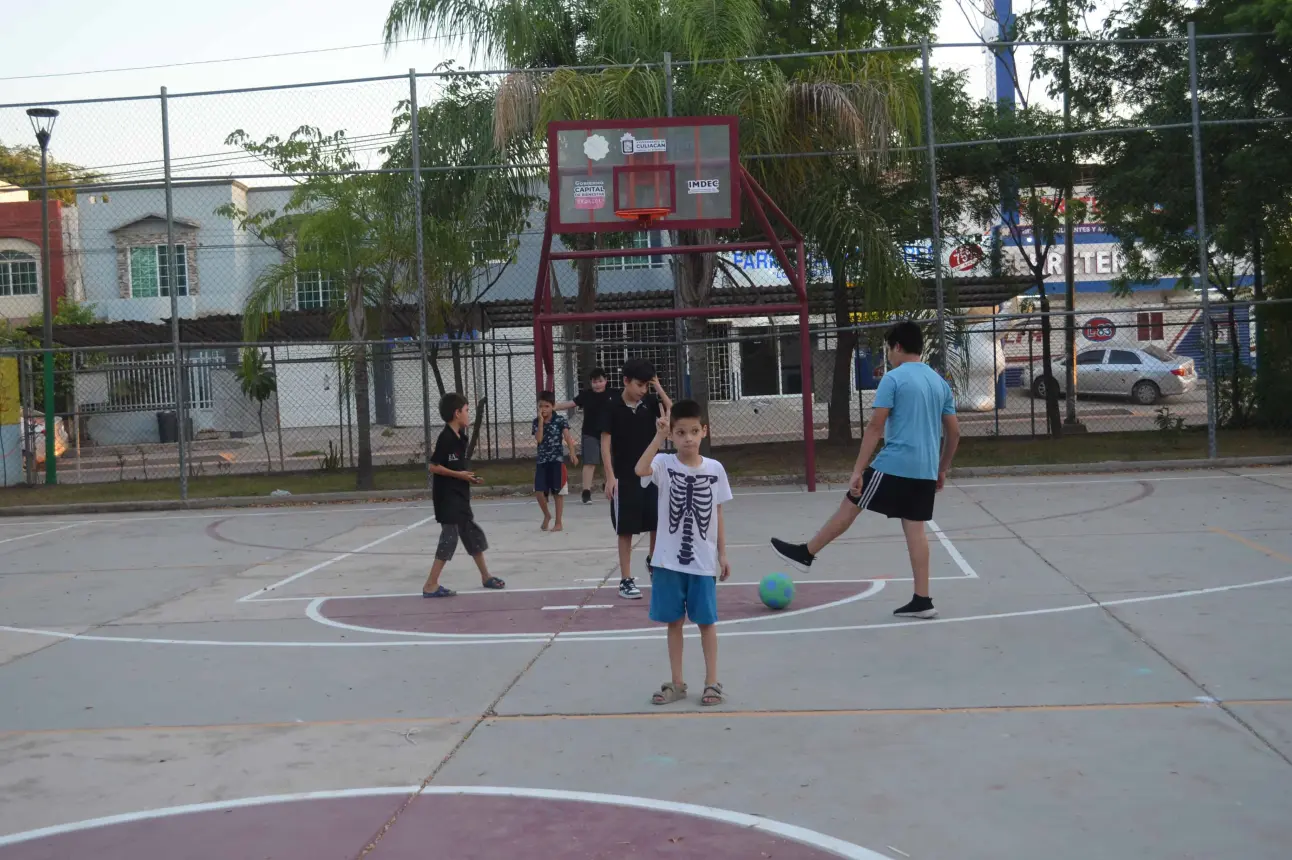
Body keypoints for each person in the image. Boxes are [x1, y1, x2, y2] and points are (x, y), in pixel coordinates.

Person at [770, 321, 960, 619]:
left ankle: (806, 553)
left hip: (894, 465)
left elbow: (875, 426)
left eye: (889, 348)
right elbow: (954, 433)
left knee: (850, 504)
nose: (889, 354)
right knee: (916, 530)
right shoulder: (940, 383)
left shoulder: (893, 379)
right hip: (924, 469)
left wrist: (858, 470)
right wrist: (942, 468)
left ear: (897, 346)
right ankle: (922, 599)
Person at [634, 399, 732, 707]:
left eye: (693, 431)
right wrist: (657, 438)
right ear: (673, 436)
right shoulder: (664, 464)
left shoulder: (715, 469)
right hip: (668, 561)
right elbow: (640, 469)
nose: (687, 438)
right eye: (680, 432)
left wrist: (723, 553)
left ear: (704, 432)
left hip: (702, 562)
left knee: (706, 622)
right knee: (673, 622)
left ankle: (712, 681)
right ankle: (676, 682)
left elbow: (717, 512)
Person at [601, 358, 673, 600]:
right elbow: (605, 442)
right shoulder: (611, 406)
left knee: (657, 522)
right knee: (626, 529)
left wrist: (658, 387)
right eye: (639, 385)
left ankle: (653, 561)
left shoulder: (651, 403)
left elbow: (672, 411)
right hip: (625, 476)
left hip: (652, 474)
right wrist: (610, 477)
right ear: (625, 381)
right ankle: (626, 579)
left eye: (647, 386)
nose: (643, 390)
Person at [423, 393, 507, 597]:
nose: (469, 414)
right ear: (457, 413)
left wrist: (469, 477)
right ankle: (430, 585)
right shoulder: (446, 438)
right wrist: (458, 475)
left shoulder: (462, 437)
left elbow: (458, 468)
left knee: (471, 535)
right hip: (447, 498)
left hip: (460, 496)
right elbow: (433, 467)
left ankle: (485, 576)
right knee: (449, 539)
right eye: (467, 410)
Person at [556, 368, 614, 504]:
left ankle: (609, 486)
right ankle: (586, 492)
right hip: (590, 432)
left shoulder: (613, 394)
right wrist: (554, 407)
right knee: (590, 462)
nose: (598, 384)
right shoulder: (586, 395)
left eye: (600, 381)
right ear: (590, 383)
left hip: (609, 433)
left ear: (606, 381)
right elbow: (571, 403)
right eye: (595, 382)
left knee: (609, 461)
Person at [532, 390, 579, 532]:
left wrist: (572, 453)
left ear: (552, 406)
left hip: (556, 460)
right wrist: (540, 422)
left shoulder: (560, 420)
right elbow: (539, 439)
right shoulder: (536, 422)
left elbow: (567, 437)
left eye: (546, 406)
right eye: (540, 406)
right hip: (542, 461)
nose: (543, 409)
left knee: (558, 492)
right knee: (539, 491)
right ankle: (547, 515)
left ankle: (559, 522)